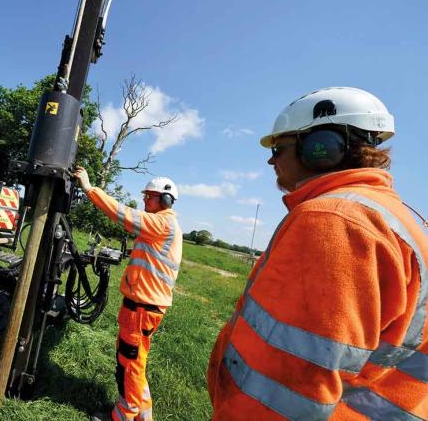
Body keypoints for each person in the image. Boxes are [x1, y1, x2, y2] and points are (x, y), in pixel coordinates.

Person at [207, 87, 427, 420]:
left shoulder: (332, 221)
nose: (271, 160)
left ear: (320, 148)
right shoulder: (400, 220)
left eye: (279, 148)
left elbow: (287, 390)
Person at [74, 167, 183, 421]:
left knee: (129, 364)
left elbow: (122, 214)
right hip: (144, 306)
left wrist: (90, 189)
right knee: (136, 361)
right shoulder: (161, 224)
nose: (144, 200)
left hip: (142, 308)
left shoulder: (163, 223)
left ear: (166, 200)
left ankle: (123, 415)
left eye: (149, 196)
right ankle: (143, 415)